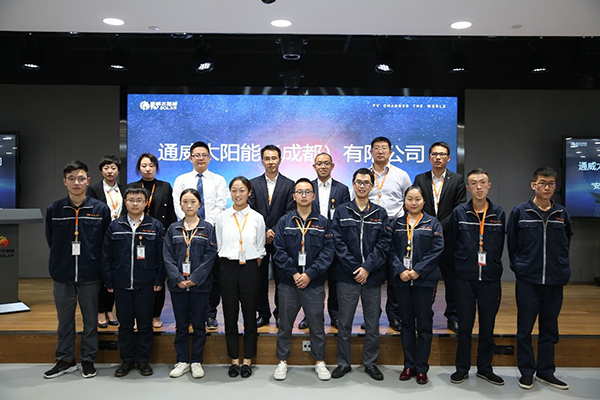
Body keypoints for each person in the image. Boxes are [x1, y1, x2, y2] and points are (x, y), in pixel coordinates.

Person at [44, 160, 111, 379]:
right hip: (62, 273)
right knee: (64, 321)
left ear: (88, 181)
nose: (76, 183)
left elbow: (105, 242)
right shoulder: (54, 209)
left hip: (90, 273)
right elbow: (51, 240)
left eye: (81, 178)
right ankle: (65, 360)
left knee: (91, 321)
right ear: (64, 181)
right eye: (71, 178)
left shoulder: (100, 209)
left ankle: (88, 360)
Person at [507, 167, 572, 391]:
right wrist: (520, 268)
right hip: (528, 281)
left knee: (550, 329)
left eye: (551, 183)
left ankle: (546, 371)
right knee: (524, 329)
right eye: (542, 183)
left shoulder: (562, 213)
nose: (547, 187)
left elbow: (566, 244)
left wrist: (562, 270)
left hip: (554, 281)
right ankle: (527, 372)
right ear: (533, 185)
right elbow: (512, 244)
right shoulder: (520, 211)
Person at [330, 168, 391, 381]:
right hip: (347, 276)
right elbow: (337, 242)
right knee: (344, 322)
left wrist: (367, 268)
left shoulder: (380, 213)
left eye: (366, 182)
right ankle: (343, 363)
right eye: (358, 182)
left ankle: (370, 363)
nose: (362, 186)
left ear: (372, 186)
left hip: (372, 276)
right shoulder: (342, 211)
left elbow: (384, 244)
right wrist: (355, 268)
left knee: (372, 323)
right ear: (353, 184)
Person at [272, 178, 334, 381]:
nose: (304, 195)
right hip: (289, 283)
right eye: (300, 192)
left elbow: (328, 252)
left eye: (308, 192)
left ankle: (319, 361)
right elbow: (279, 251)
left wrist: (309, 274)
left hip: (313, 283)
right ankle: (282, 360)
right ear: (294, 196)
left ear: (313, 196)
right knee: (285, 324)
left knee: (317, 325)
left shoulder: (323, 223)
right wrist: (294, 273)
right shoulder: (284, 221)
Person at [448, 169, 505, 386]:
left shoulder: (499, 213)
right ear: (468, 188)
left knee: (488, 326)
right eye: (474, 183)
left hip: (490, 279)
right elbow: (452, 244)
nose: (478, 187)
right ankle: (462, 368)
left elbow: (500, 247)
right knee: (464, 326)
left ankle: (485, 368)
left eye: (482, 182)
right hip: (465, 278)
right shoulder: (459, 213)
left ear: (489, 185)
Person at [101, 187, 166, 377]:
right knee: (125, 325)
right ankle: (127, 360)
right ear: (125, 202)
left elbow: (162, 256)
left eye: (139, 200)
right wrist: (109, 280)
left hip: (146, 283)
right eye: (131, 200)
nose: (135, 203)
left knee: (145, 324)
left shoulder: (155, 225)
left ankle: (143, 360)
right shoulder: (115, 226)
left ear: (146, 203)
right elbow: (106, 255)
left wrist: (159, 278)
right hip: (121, 283)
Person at [390, 185, 444, 385]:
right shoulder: (396, 223)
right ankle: (408, 365)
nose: (413, 203)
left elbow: (437, 249)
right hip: (402, 280)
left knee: (424, 325)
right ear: (404, 201)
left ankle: (422, 367)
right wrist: (400, 270)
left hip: (424, 281)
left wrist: (418, 270)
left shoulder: (433, 223)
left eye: (417, 199)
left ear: (424, 201)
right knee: (406, 323)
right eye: (410, 199)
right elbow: (390, 250)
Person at [172, 141, 227, 330]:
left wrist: (205, 226)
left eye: (204, 155)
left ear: (210, 158)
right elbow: (178, 205)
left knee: (212, 275)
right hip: (186, 232)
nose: (201, 158)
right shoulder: (181, 180)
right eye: (197, 155)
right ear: (190, 158)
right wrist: (191, 225)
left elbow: (221, 205)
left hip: (211, 232)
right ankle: (189, 314)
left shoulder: (219, 180)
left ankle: (210, 314)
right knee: (188, 272)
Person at [164, 188, 218, 379]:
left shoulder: (207, 228)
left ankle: (196, 361)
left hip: (200, 286)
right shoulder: (173, 229)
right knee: (181, 325)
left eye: (193, 202)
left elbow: (210, 256)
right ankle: (182, 361)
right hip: (178, 286)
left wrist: (194, 278)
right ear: (180, 204)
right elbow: (167, 257)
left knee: (199, 325)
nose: (189, 205)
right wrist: (178, 279)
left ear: (199, 204)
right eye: (185, 202)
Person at [413, 142, 466, 334]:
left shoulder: (457, 180)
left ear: (448, 158)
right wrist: (430, 228)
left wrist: (440, 226)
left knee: (452, 280)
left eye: (442, 154)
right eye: (434, 154)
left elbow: (459, 207)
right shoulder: (420, 179)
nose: (438, 157)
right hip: (425, 239)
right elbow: (416, 204)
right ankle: (423, 316)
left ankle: (453, 317)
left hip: (449, 238)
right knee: (424, 279)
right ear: (429, 157)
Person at [216, 177, 267, 378]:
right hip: (227, 268)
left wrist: (251, 266)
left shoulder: (257, 218)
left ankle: (247, 360)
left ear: (249, 193)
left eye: (242, 190)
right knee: (230, 316)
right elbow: (219, 245)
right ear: (230, 193)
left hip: (250, 269)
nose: (238, 194)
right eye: (234, 190)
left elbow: (261, 248)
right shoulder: (222, 217)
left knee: (249, 316)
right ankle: (234, 360)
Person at [298, 152, 350, 330]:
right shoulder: (308, 187)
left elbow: (344, 216)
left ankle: (335, 315)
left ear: (332, 166)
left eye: (326, 163)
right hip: (312, 240)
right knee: (312, 279)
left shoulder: (342, 189)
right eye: (319, 163)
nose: (323, 166)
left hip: (334, 240)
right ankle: (309, 315)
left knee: (335, 280)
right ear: (314, 167)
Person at [248, 145, 295, 328]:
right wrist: (265, 230)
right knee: (258, 278)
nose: (271, 162)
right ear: (262, 161)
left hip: (281, 238)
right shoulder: (253, 184)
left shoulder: (289, 184)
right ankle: (263, 313)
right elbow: (251, 210)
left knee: (281, 277)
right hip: (259, 238)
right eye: (267, 158)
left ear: (280, 160)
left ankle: (280, 313)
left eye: (274, 158)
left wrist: (273, 231)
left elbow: (290, 211)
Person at [129, 153, 177, 329]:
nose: (148, 169)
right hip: (138, 236)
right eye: (144, 166)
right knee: (137, 277)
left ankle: (156, 314)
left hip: (159, 237)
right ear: (138, 168)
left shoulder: (165, 186)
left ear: (156, 167)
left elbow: (170, 214)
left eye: (151, 165)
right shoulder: (132, 187)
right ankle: (136, 315)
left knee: (159, 277)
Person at [368, 136, 412, 332]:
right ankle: (372, 316)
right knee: (373, 273)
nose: (380, 151)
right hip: (371, 227)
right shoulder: (364, 175)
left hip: (395, 227)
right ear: (370, 152)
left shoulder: (401, 175)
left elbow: (409, 200)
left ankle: (394, 316)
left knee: (396, 273)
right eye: (376, 148)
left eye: (384, 148)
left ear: (391, 152)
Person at [87, 155, 125, 329]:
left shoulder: (124, 190)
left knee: (115, 275)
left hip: (120, 237)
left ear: (118, 170)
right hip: (100, 237)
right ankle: (100, 311)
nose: (110, 171)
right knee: (101, 276)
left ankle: (110, 309)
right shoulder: (93, 190)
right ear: (101, 170)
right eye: (106, 168)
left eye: (113, 168)